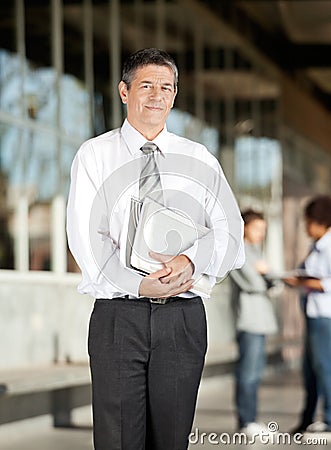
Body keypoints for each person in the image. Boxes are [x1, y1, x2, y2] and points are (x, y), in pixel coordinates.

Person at [66, 48, 244, 450]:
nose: (157, 95)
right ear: (124, 91)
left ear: (175, 95)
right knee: (118, 440)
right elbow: (85, 234)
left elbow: (230, 231)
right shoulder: (95, 155)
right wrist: (137, 284)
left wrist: (191, 260)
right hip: (119, 316)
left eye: (166, 87)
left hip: (182, 318)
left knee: (171, 440)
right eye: (146, 85)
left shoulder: (198, 158)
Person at [229, 209, 278, 435]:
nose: (261, 233)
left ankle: (251, 420)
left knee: (256, 373)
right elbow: (256, 284)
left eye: (263, 230)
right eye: (257, 228)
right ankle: (246, 421)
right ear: (245, 227)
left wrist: (267, 276)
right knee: (247, 373)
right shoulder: (238, 253)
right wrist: (266, 276)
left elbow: (277, 284)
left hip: (261, 321)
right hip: (248, 321)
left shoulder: (256, 252)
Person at [286, 194, 331, 433]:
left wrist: (311, 283)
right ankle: (307, 419)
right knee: (310, 370)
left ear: (319, 220)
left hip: (325, 316)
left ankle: (330, 421)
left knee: (325, 368)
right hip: (312, 316)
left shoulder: (329, 246)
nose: (306, 227)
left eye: (308, 222)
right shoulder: (316, 247)